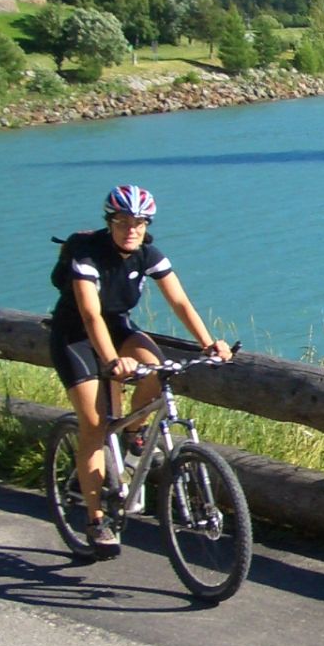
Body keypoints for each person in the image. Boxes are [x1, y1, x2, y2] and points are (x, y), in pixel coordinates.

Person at [48, 184, 231, 555]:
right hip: (74, 336)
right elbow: (89, 313)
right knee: (95, 425)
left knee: (159, 369)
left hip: (117, 326)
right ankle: (97, 520)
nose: (131, 229)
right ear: (109, 221)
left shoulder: (148, 254)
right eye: (122, 221)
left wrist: (209, 342)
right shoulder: (87, 253)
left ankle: (133, 432)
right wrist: (112, 360)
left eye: (140, 222)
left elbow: (179, 300)